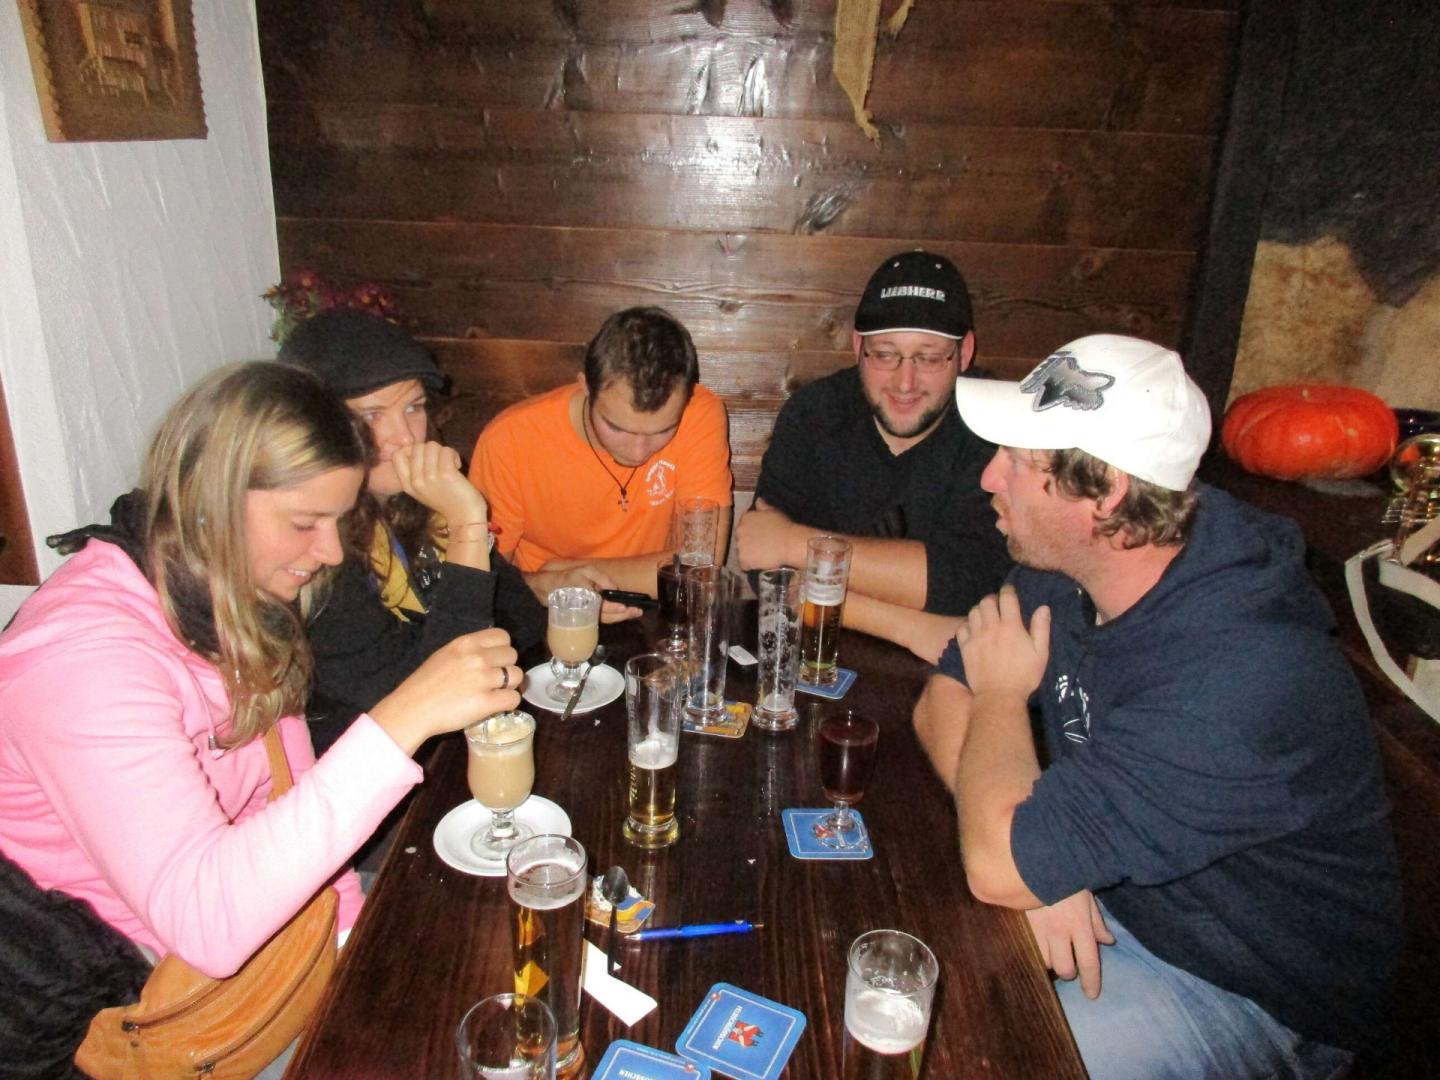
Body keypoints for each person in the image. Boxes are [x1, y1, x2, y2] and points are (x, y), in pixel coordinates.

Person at [0, 363, 520, 1073]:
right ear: (210, 501)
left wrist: (346, 946)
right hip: (107, 1019)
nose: (329, 553)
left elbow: (288, 787)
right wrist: (403, 718)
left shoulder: (228, 589)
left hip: (248, 962)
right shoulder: (84, 660)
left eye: (339, 521)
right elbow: (208, 923)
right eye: (305, 523)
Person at [913, 335, 1401, 1078]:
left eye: (1015, 459)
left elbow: (995, 849)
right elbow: (943, 695)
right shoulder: (1076, 561)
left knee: (962, 1057)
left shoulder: (1243, 674)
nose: (989, 476)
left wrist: (1006, 712)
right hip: (1112, 893)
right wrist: (1041, 862)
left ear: (1105, 491)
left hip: (1246, 987)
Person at [278, 308, 545, 754]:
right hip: (367, 776)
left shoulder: (421, 503)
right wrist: (467, 524)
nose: (405, 437)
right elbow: (440, 697)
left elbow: (526, 620)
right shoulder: (316, 554)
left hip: (445, 752)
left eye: (413, 407)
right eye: (372, 416)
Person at [735, 251, 1010, 662]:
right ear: (857, 346)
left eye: (929, 357)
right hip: (818, 655)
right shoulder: (815, 414)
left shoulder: (995, 426)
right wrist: (915, 624)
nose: (905, 382)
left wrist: (794, 542)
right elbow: (768, 569)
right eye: (884, 354)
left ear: (965, 353)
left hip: (949, 667)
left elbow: (972, 584)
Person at [468, 306, 733, 598]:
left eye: (662, 431)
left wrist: (566, 573)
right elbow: (479, 585)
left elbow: (698, 571)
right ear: (585, 387)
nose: (638, 452)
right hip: (542, 608)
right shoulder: (509, 439)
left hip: (653, 607)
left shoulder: (699, 413)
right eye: (617, 428)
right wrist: (541, 584)